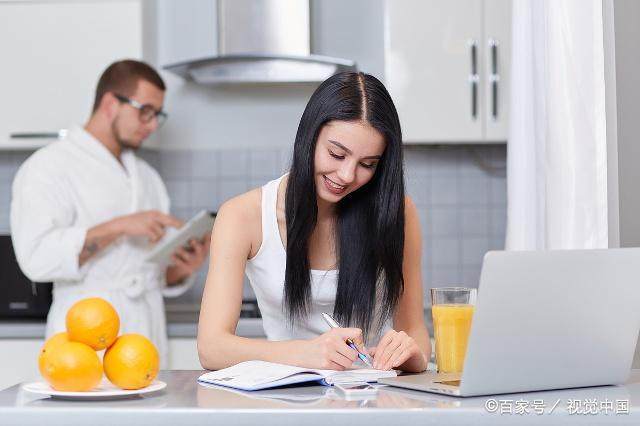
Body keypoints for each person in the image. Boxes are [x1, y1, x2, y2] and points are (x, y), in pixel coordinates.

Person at [198, 72, 430, 372]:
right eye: (336, 154)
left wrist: (413, 355)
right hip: (285, 399)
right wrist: (307, 353)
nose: (347, 175)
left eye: (367, 164)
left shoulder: (398, 212)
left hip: (374, 397)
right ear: (309, 137)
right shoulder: (242, 216)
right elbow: (211, 348)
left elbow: (415, 330)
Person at [11, 60, 209, 366]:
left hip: (146, 332)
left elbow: (150, 273)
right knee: (87, 406)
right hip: (84, 332)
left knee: (153, 409)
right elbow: (37, 259)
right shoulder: (47, 167)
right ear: (110, 104)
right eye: (145, 111)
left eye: (158, 115)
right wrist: (120, 226)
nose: (153, 124)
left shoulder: (146, 177)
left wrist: (184, 268)